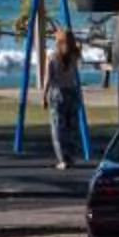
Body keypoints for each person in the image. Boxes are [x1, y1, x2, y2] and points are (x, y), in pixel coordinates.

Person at [44, 24, 86, 170]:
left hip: (58, 93)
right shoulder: (75, 55)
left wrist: (44, 95)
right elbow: (78, 46)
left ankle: (63, 159)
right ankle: (71, 157)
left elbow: (48, 79)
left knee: (58, 128)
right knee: (72, 127)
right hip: (72, 92)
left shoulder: (53, 57)